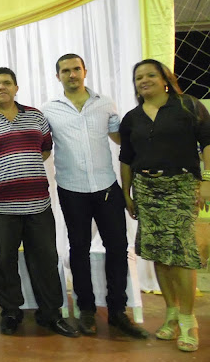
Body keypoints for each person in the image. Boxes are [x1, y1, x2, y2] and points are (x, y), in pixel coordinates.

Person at [0, 67, 79, 338]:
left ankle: (50, 314)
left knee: (46, 258)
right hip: (0, 205)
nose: (1, 87)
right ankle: (11, 312)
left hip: (38, 203)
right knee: (4, 260)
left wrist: (22, 167)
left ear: (16, 88)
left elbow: (45, 149)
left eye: (6, 82)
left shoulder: (36, 116)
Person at [41, 53, 148, 338]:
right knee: (79, 249)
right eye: (65, 70)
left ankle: (117, 311)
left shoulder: (105, 103)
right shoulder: (48, 110)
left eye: (76, 69)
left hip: (106, 187)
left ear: (85, 71)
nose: (72, 74)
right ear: (57, 76)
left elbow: (122, 139)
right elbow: (39, 143)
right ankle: (86, 310)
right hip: (71, 189)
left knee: (118, 248)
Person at [120, 59, 210, 352]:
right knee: (159, 253)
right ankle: (171, 313)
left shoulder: (188, 106)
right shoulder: (132, 118)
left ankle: (188, 319)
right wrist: (127, 194)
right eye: (139, 78)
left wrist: (207, 181)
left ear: (165, 79)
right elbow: (126, 159)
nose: (144, 80)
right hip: (146, 189)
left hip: (181, 186)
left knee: (182, 253)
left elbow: (207, 143)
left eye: (150, 75)